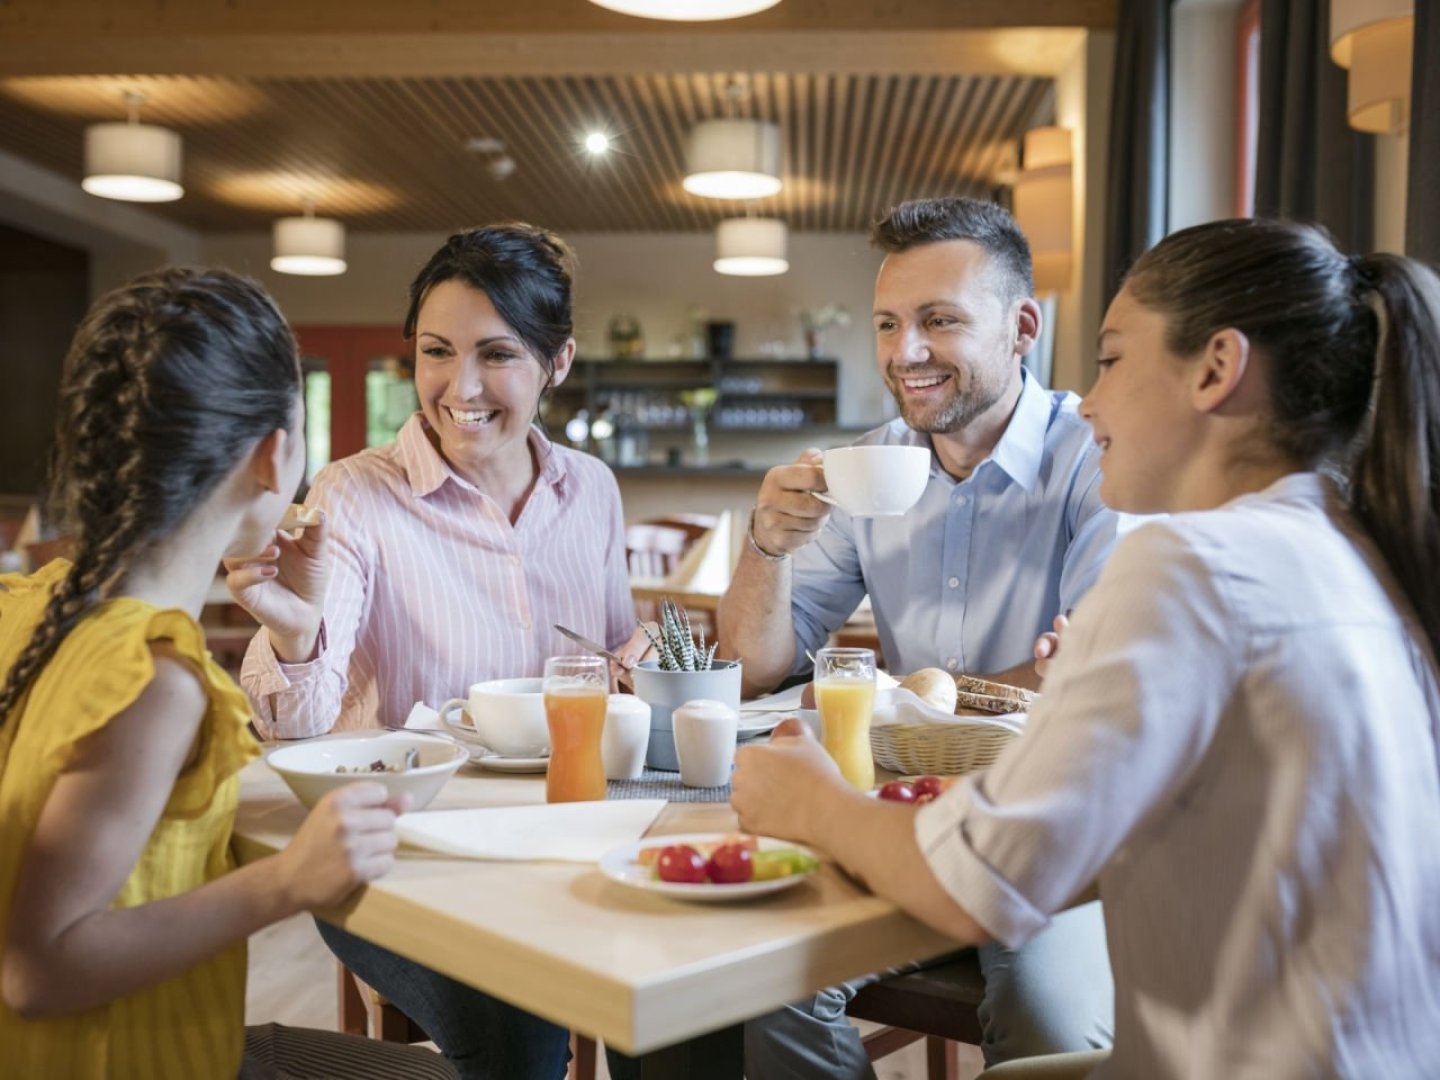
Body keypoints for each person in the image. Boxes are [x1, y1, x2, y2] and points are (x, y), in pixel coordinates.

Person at [732, 218, 1440, 1078]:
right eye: (887, 322)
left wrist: (810, 803)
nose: (1090, 399)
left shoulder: (1191, 564)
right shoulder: (1358, 548)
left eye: (1109, 361)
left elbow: (982, 881)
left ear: (1216, 369)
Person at [0, 268, 452, 1079]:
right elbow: (38, 968)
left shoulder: (31, 608)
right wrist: (289, 880)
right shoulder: (152, 679)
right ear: (276, 456)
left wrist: (302, 624)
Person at [234, 224, 648, 1080]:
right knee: (517, 1016)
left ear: (557, 362)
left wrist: (640, 663)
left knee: (672, 1007)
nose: (460, 386)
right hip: (403, 861)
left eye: (497, 354)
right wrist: (293, 629)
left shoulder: (591, 490)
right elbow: (292, 732)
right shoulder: (354, 495)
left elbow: (613, 662)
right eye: (436, 351)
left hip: (572, 839)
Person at [718, 197, 1120, 1074]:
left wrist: (910, 700)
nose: (905, 354)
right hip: (889, 811)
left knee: (1049, 1017)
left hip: (1051, 820)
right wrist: (765, 545)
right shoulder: (872, 462)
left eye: (939, 321)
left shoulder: (1099, 457)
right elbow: (751, 669)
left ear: (1021, 327)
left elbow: (1092, 675)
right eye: (889, 324)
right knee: (750, 986)